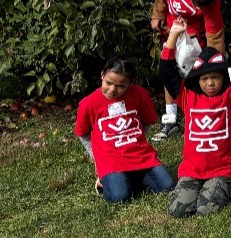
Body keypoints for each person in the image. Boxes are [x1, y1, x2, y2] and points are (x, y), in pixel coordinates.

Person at [157, 17, 231, 218]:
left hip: (224, 169)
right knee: (177, 210)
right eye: (205, 79)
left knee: (206, 209)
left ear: (223, 77)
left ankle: (230, 187)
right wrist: (174, 34)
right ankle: (204, 188)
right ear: (198, 80)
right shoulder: (188, 96)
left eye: (215, 77)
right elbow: (166, 71)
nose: (210, 83)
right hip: (193, 170)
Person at [75, 56, 175, 203]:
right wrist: (96, 158)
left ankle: (126, 178)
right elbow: (82, 134)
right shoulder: (88, 103)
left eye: (121, 86)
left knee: (167, 185)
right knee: (119, 197)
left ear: (131, 83)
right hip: (110, 160)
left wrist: (139, 140)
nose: (112, 90)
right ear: (102, 75)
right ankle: (107, 181)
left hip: (140, 156)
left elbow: (147, 122)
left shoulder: (140, 94)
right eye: (108, 83)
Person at [149, 0, 227, 142]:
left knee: (199, 72)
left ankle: (201, 111)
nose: (198, 8)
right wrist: (158, 12)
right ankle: (170, 118)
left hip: (196, 36)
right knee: (169, 69)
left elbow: (215, 39)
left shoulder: (212, 0)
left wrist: (217, 67)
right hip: (172, 28)